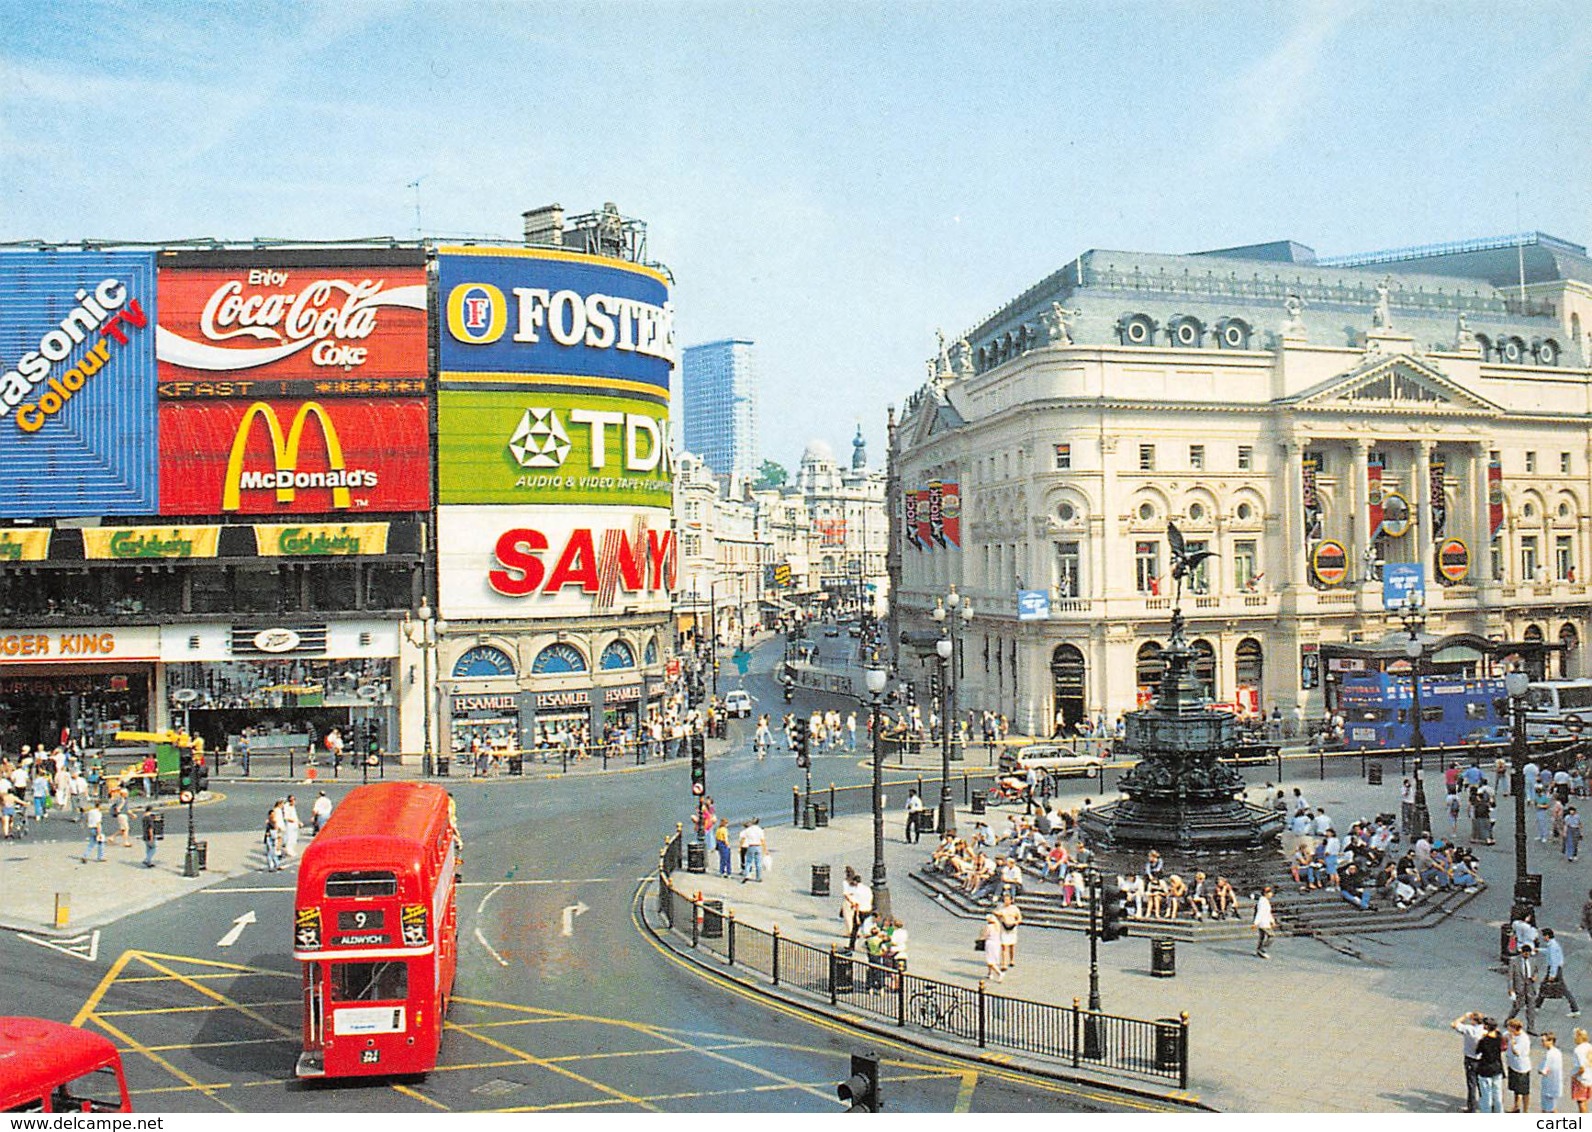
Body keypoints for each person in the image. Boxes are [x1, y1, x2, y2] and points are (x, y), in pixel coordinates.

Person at [1537, 928, 1583, 1017]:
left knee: (1563, 989)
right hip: (1556, 969)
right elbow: (1548, 952)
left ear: (1547, 936)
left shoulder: (1553, 946)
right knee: (1544, 986)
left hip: (1555, 969)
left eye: (1543, 936)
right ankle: (1537, 1005)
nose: (1543, 938)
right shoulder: (1552, 944)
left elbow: (1554, 961)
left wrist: (1552, 974)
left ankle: (1575, 1009)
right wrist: (1539, 950)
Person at [1453, 1010, 1487, 1112]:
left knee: (1472, 1084)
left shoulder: (1469, 1029)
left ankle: (1471, 1107)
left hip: (1470, 1059)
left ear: (1474, 1020)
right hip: (1482, 1059)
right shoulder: (1485, 1031)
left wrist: (1464, 1016)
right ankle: (1485, 1103)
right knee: (1483, 1083)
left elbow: (1454, 1024)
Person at [1475, 1017, 1506, 1113]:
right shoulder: (1499, 1037)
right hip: (1497, 1068)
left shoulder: (1484, 1041)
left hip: (1485, 1069)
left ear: (1487, 1026)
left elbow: (1477, 1051)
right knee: (1498, 1094)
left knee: (1486, 1096)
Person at [1505, 1018, 1533, 1112]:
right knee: (1516, 1089)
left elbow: (1517, 1052)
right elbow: (1503, 1037)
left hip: (1522, 1068)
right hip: (1512, 1065)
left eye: (1509, 1027)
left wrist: (1512, 1043)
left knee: (1524, 1091)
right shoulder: (1510, 1034)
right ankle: (1516, 1107)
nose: (1508, 1029)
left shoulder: (1523, 1038)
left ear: (1514, 1028)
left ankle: (1525, 1110)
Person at [995, 894, 1022, 969]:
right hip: (1003, 927)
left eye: (1007, 900)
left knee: (1012, 946)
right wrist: (998, 914)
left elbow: (1019, 918)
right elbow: (995, 914)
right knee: (1004, 946)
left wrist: (1016, 922)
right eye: (1004, 900)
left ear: (1011, 900)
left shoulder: (1015, 908)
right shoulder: (1000, 907)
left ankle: (1012, 960)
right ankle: (1004, 963)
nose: (1006, 901)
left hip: (1012, 928)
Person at [1542, 1031, 1565, 1113]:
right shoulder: (1557, 1052)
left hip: (1549, 1085)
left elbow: (1544, 1070)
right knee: (1552, 1107)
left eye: (1543, 1041)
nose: (1542, 1043)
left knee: (1546, 1109)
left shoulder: (1549, 1054)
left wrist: (1540, 1070)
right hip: (1555, 1084)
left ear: (1551, 1041)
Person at [740, 818, 767, 883]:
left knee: (748, 862)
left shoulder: (748, 830)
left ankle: (747, 874)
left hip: (751, 846)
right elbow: (762, 840)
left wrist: (741, 846)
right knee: (758, 862)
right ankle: (758, 877)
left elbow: (743, 838)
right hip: (758, 846)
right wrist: (765, 849)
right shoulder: (760, 830)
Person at [1572, 1027, 1592, 1113]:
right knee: (1585, 1100)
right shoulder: (1589, 1046)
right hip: (1589, 1076)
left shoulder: (1578, 1050)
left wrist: (1574, 1075)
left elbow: (1582, 1068)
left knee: (1581, 1101)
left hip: (1581, 1079)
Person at [79, 799, 105, 863]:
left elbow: (87, 820)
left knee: (91, 843)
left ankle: (85, 856)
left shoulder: (91, 811)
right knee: (100, 843)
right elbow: (98, 823)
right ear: (99, 806)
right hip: (96, 829)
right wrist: (99, 833)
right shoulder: (98, 813)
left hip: (91, 828)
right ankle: (100, 857)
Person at [979, 913, 1003, 982]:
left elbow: (985, 935)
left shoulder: (988, 926)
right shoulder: (997, 925)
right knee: (993, 958)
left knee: (990, 960)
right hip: (997, 943)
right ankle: (990, 973)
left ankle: (999, 973)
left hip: (990, 943)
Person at [1253, 885, 1275, 959]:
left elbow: (1268, 913)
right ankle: (1262, 950)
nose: (1271, 894)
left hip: (1264, 922)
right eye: (1270, 893)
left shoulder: (1264, 901)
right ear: (1265, 893)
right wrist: (1255, 923)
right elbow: (1260, 913)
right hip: (1263, 923)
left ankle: (1259, 950)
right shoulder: (1263, 902)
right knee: (1271, 936)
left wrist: (1272, 921)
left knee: (1262, 937)